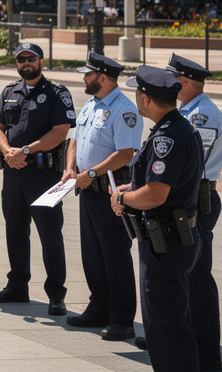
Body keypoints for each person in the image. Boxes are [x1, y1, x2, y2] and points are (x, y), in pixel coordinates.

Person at [111, 66, 204, 372]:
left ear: (147, 99)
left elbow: (156, 195)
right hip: (170, 240)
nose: (136, 97)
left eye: (138, 92)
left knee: (165, 328)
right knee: (171, 323)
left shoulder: (168, 137)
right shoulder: (176, 127)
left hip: (166, 245)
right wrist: (132, 188)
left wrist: (123, 198)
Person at [0, 42, 73, 314]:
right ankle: (17, 286)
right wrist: (7, 151)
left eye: (31, 58)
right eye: (21, 59)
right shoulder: (9, 91)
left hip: (45, 175)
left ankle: (56, 294)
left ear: (41, 61)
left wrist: (25, 150)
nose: (26, 63)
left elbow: (61, 131)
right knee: (15, 231)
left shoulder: (57, 93)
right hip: (14, 174)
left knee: (50, 234)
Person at [62, 52, 142, 340]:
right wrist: (71, 168)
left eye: (88, 74)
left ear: (103, 78)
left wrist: (90, 174)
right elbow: (74, 139)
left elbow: (125, 154)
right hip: (86, 189)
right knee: (92, 255)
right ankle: (99, 308)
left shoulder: (124, 110)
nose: (84, 78)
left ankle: (122, 319)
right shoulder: (91, 104)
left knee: (115, 256)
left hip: (110, 192)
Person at [166, 54, 222, 370]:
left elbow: (188, 166)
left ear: (183, 82)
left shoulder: (201, 117)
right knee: (183, 276)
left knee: (197, 279)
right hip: (184, 201)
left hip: (196, 202)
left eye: (170, 79)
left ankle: (207, 356)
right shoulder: (186, 113)